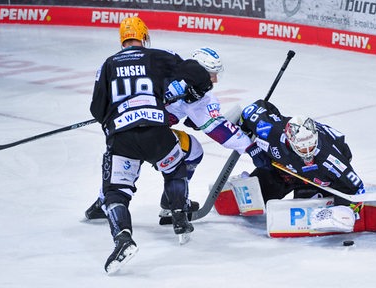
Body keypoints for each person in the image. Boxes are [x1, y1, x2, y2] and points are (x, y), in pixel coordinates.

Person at [89, 16, 213, 274]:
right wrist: (195, 91)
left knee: (116, 192)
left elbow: (96, 109)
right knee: (175, 170)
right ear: (144, 36)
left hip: (122, 138)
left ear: (122, 39)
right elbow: (198, 73)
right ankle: (179, 216)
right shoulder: (158, 56)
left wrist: (114, 120)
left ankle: (123, 239)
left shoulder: (108, 64)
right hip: (157, 132)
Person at [85, 47, 253, 224]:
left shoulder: (167, 72)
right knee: (193, 151)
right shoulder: (199, 92)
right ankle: (172, 205)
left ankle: (103, 202)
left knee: (125, 163)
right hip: (154, 133)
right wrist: (249, 145)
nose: (215, 80)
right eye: (211, 74)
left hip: (124, 127)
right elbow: (218, 129)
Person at [238, 99, 376, 232]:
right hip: (285, 170)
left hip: (318, 175)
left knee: (309, 201)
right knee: (267, 182)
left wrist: (349, 208)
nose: (308, 152)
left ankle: (318, 194)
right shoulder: (271, 131)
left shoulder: (328, 158)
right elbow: (254, 109)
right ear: (290, 141)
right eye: (303, 148)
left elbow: (356, 186)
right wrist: (246, 135)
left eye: (311, 146)